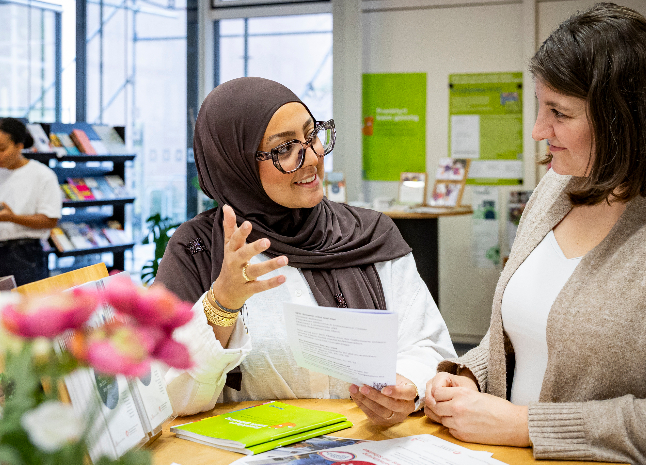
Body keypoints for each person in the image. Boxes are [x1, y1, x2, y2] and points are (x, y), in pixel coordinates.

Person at [422, 4, 646, 465]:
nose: (539, 131)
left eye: (559, 113)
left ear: (630, 119)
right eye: (540, 108)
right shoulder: (558, 187)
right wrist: (467, 375)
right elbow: (531, 337)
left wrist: (527, 425)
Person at [155, 77, 455, 423]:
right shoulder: (199, 250)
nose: (311, 157)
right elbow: (167, 396)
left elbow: (429, 346)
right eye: (284, 148)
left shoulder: (368, 234)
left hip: (366, 452)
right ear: (234, 165)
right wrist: (221, 304)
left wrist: (406, 388)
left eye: (311, 135)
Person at [0, 118, 61, 286]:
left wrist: (12, 217)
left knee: (26, 308)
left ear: (19, 145)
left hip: (26, 254)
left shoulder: (42, 175)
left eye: (1, 149)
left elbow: (50, 220)